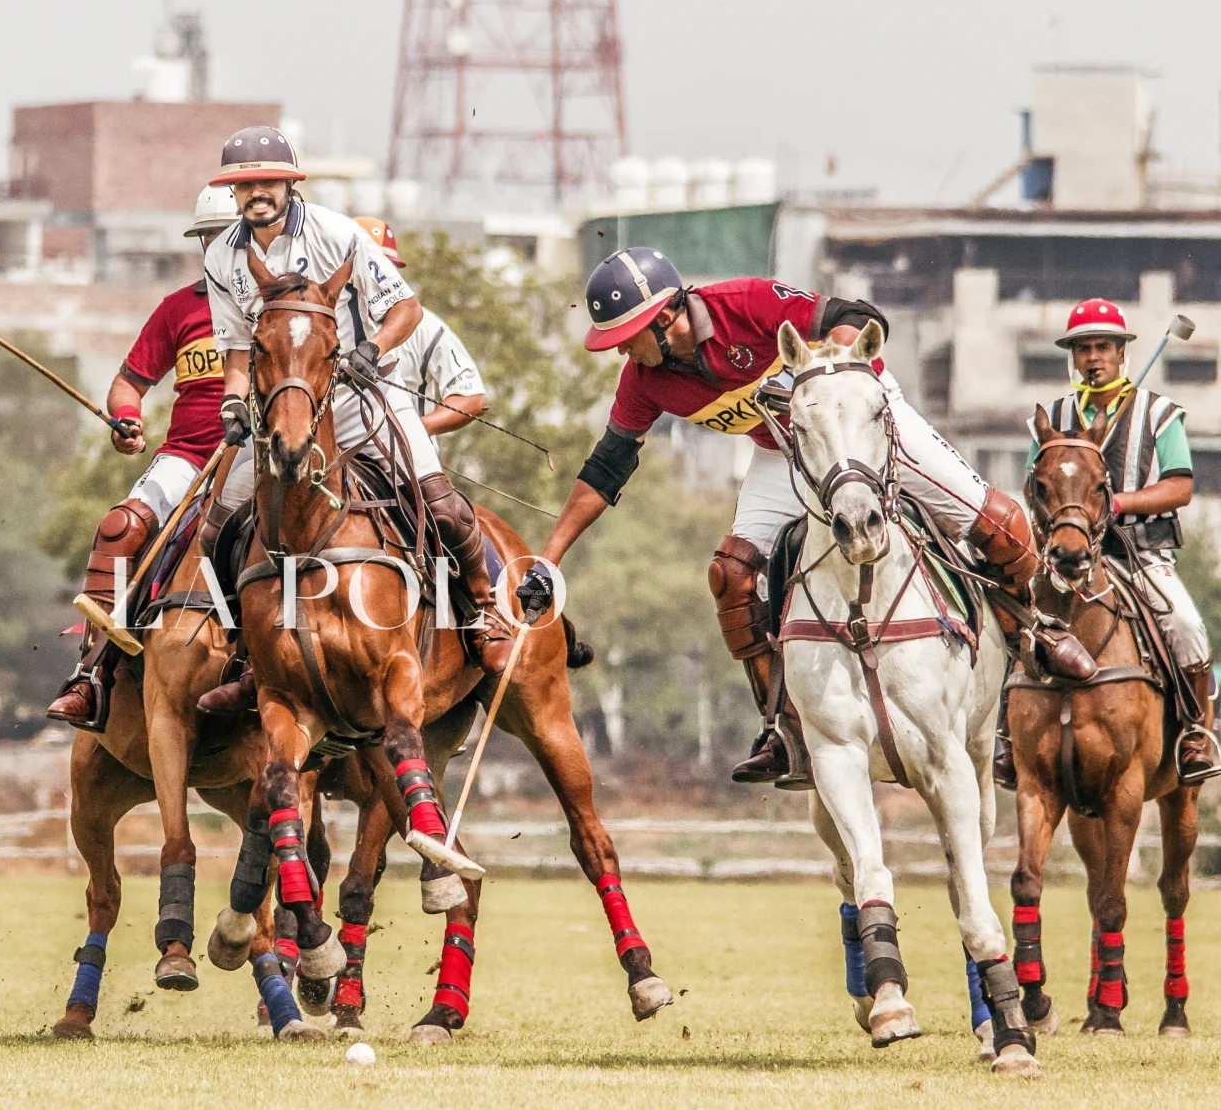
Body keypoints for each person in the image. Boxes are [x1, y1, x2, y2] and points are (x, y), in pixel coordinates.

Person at [517, 248, 1096, 785]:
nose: (621, 350)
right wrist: (550, 556)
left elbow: (852, 313)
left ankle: (1037, 639)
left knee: (999, 522)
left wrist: (839, 369)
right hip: (785, 452)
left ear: (666, 316)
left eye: (625, 337)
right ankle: (786, 727)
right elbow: (606, 470)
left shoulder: (745, 303)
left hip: (866, 425)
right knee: (732, 575)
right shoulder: (644, 383)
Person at [194, 129, 513, 716]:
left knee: (438, 500)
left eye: (266, 180)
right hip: (283, 411)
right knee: (216, 529)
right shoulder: (221, 257)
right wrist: (234, 403)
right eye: (243, 184)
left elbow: (405, 309)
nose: (256, 192)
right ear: (233, 193)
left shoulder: (336, 234)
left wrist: (371, 353)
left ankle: (483, 609)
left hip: (359, 399)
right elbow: (237, 348)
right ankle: (247, 652)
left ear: (291, 183)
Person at [998, 297, 1217, 786]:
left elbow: (1180, 485)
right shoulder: (1051, 418)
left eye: (1103, 347)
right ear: (1072, 357)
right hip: (1064, 559)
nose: (1093, 357)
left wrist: (1118, 503)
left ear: (1122, 354)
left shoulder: (1160, 413)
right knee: (1013, 626)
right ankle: (1006, 739)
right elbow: (1036, 490)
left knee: (1186, 626)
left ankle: (1194, 736)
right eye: (1083, 349)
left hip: (1140, 552)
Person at [45, 184, 242, 728]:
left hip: (259, 459)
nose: (220, 248)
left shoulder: (278, 307)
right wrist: (125, 419)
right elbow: (129, 381)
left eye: (230, 237)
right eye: (210, 239)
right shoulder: (179, 308)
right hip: (188, 454)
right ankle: (91, 674)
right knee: (120, 526)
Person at [355, 217, 490, 439]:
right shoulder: (321, 323)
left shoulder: (426, 326)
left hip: (408, 455)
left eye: (382, 270)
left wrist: (415, 429)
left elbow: (471, 398)